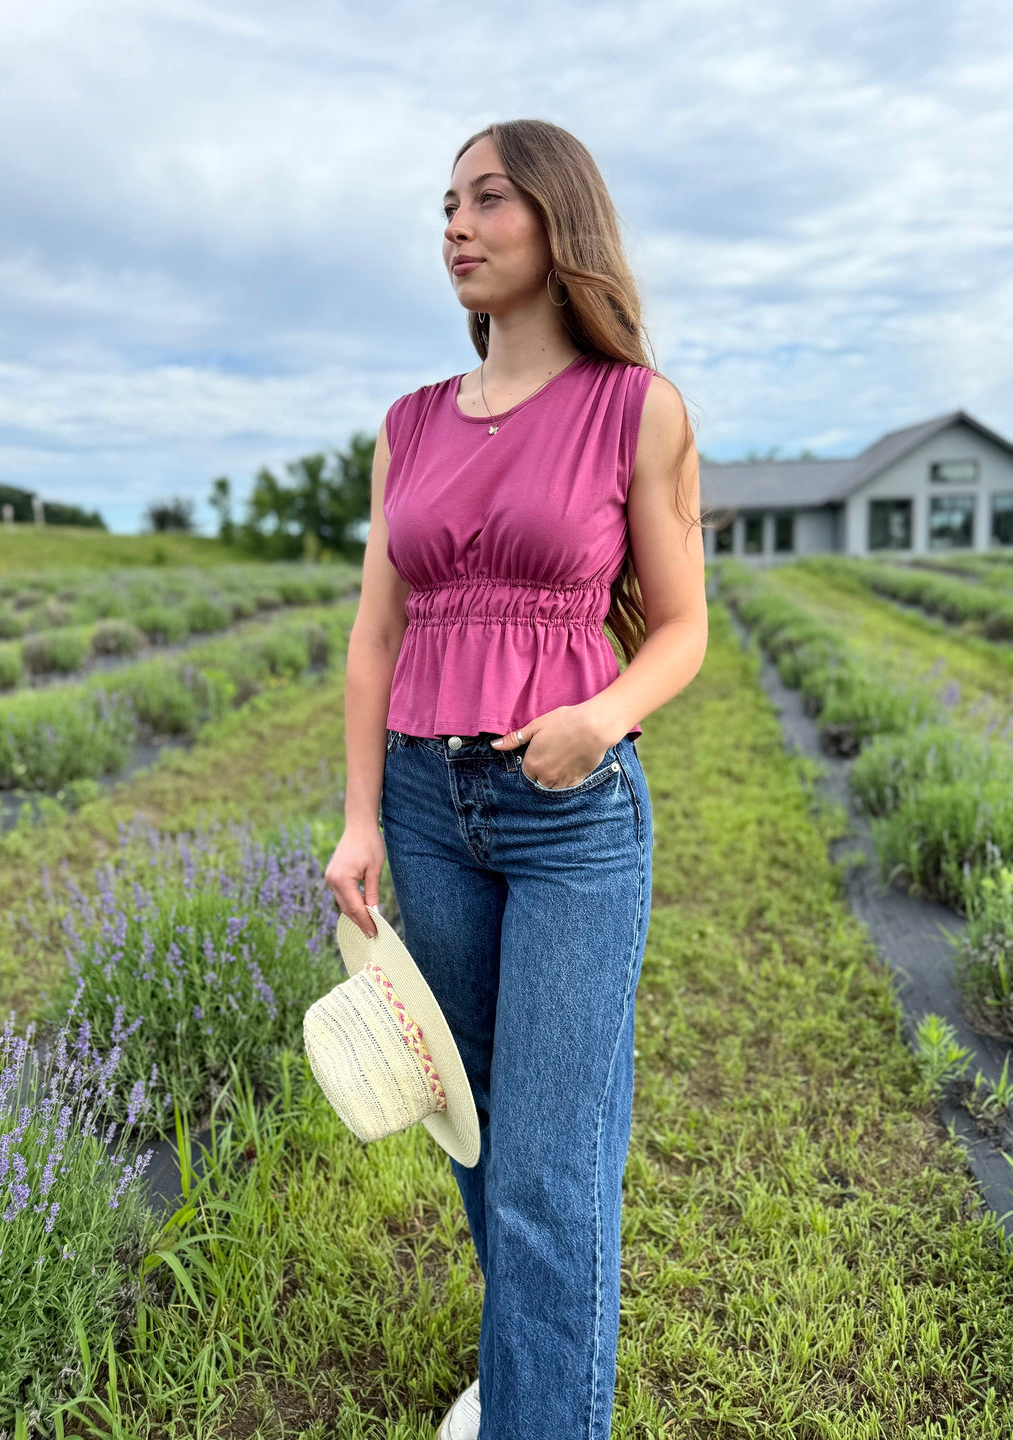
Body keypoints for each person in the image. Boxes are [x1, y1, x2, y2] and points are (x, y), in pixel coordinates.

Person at [324, 118, 708, 1440]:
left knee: (552, 1167)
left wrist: (599, 716)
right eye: (445, 205)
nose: (456, 226)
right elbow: (378, 633)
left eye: (487, 200)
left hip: (568, 818)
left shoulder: (634, 409)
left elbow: (684, 628)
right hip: (429, 813)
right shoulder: (411, 424)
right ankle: (531, 1372)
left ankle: (544, 1413)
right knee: (479, 1136)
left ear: (558, 224)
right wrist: (364, 816)